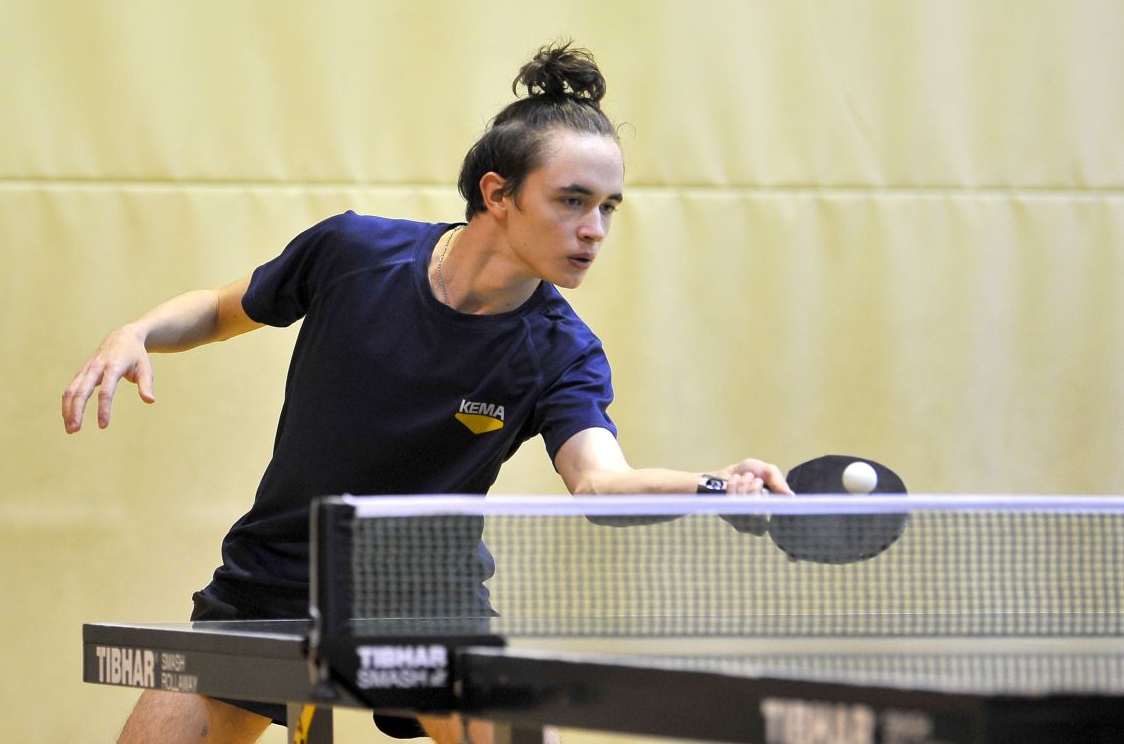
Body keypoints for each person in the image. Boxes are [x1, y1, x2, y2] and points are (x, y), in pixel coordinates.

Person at [63, 42, 790, 744]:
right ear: (498, 194)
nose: (594, 230)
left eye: (608, 207)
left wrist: (713, 486)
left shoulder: (561, 351)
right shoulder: (353, 253)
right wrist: (139, 331)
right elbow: (222, 310)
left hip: (428, 605)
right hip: (272, 585)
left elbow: (599, 483)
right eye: (573, 201)